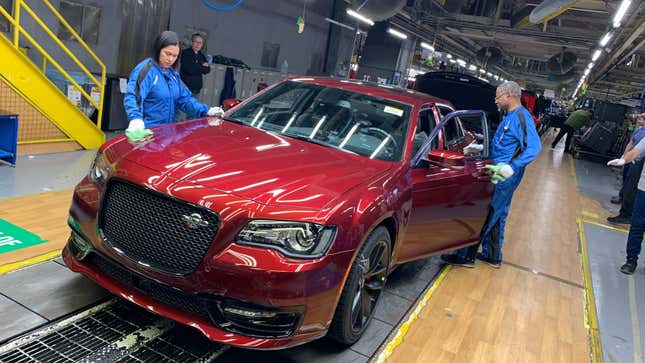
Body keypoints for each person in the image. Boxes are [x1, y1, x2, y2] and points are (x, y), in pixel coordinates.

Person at [441, 81, 542, 268]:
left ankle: (466, 256)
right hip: (498, 170)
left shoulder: (521, 116)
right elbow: (506, 144)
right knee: (499, 213)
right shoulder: (510, 116)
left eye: (498, 97)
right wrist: (481, 148)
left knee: (487, 212)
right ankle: (493, 255)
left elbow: (534, 147)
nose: (495, 101)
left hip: (503, 176)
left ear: (509, 95)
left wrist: (512, 166)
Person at [123, 31, 223, 142]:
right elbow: (133, 96)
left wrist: (207, 110)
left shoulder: (173, 75)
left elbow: (185, 99)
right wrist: (135, 119)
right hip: (147, 135)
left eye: (174, 56)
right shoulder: (146, 70)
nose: (170, 59)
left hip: (166, 135)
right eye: (167, 54)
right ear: (158, 49)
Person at [608, 132, 645, 274]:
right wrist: (624, 160)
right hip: (643, 190)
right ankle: (631, 260)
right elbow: (636, 151)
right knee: (637, 225)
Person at [608, 113, 645, 224]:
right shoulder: (639, 130)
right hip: (631, 160)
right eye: (638, 118)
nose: (639, 120)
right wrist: (624, 158)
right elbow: (631, 144)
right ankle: (624, 203)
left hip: (639, 163)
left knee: (632, 188)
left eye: (641, 119)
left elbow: (639, 151)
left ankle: (626, 214)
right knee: (627, 183)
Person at [180, 33, 211, 97]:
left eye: (200, 43)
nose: (198, 44)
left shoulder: (201, 56)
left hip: (196, 90)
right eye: (196, 42)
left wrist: (196, 66)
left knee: (193, 107)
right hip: (186, 88)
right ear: (192, 42)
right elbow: (189, 69)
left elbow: (207, 70)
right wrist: (202, 66)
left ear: (202, 45)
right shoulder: (186, 53)